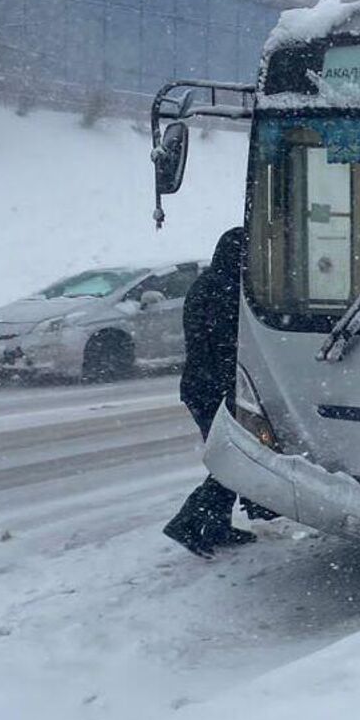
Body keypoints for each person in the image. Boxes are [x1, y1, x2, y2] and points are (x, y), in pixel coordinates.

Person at [163, 227, 255, 558]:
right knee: (235, 460)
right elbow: (228, 346)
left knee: (230, 458)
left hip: (201, 385)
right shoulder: (225, 290)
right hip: (215, 388)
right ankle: (188, 522)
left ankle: (216, 524)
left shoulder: (206, 284)